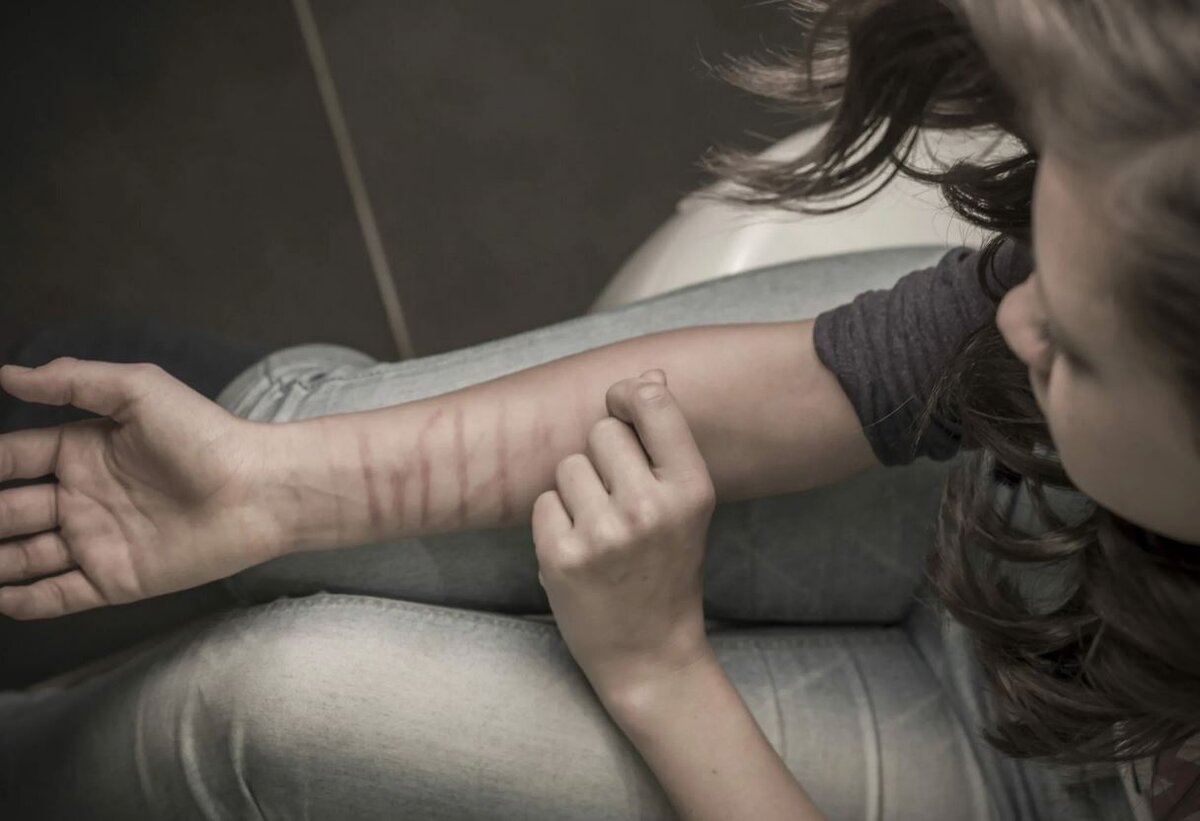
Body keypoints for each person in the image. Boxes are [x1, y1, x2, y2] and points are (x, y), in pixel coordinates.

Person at [0, 0, 1197, 818]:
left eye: (1076, 346)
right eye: (1032, 259)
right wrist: (271, 488)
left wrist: (659, 670)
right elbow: (860, 369)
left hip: (1026, 790)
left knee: (266, 710)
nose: (1017, 318)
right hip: (1000, 504)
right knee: (276, 441)